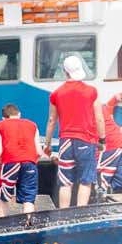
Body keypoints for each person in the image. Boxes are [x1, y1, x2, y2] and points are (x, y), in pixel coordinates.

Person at [45, 54, 106, 209]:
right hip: (87, 140)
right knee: (85, 180)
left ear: (65, 72)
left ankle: (63, 214)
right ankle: (80, 213)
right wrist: (102, 140)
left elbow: (52, 121)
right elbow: (99, 118)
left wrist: (47, 145)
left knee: (65, 181)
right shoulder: (91, 91)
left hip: (66, 141)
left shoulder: (56, 94)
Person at [0, 103, 41, 219]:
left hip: (10, 162)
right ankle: (29, 224)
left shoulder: (0, 125)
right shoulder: (33, 125)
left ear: (4, 117)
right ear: (19, 114)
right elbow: (39, 152)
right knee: (28, 197)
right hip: (30, 163)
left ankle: (2, 223)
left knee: (3, 196)